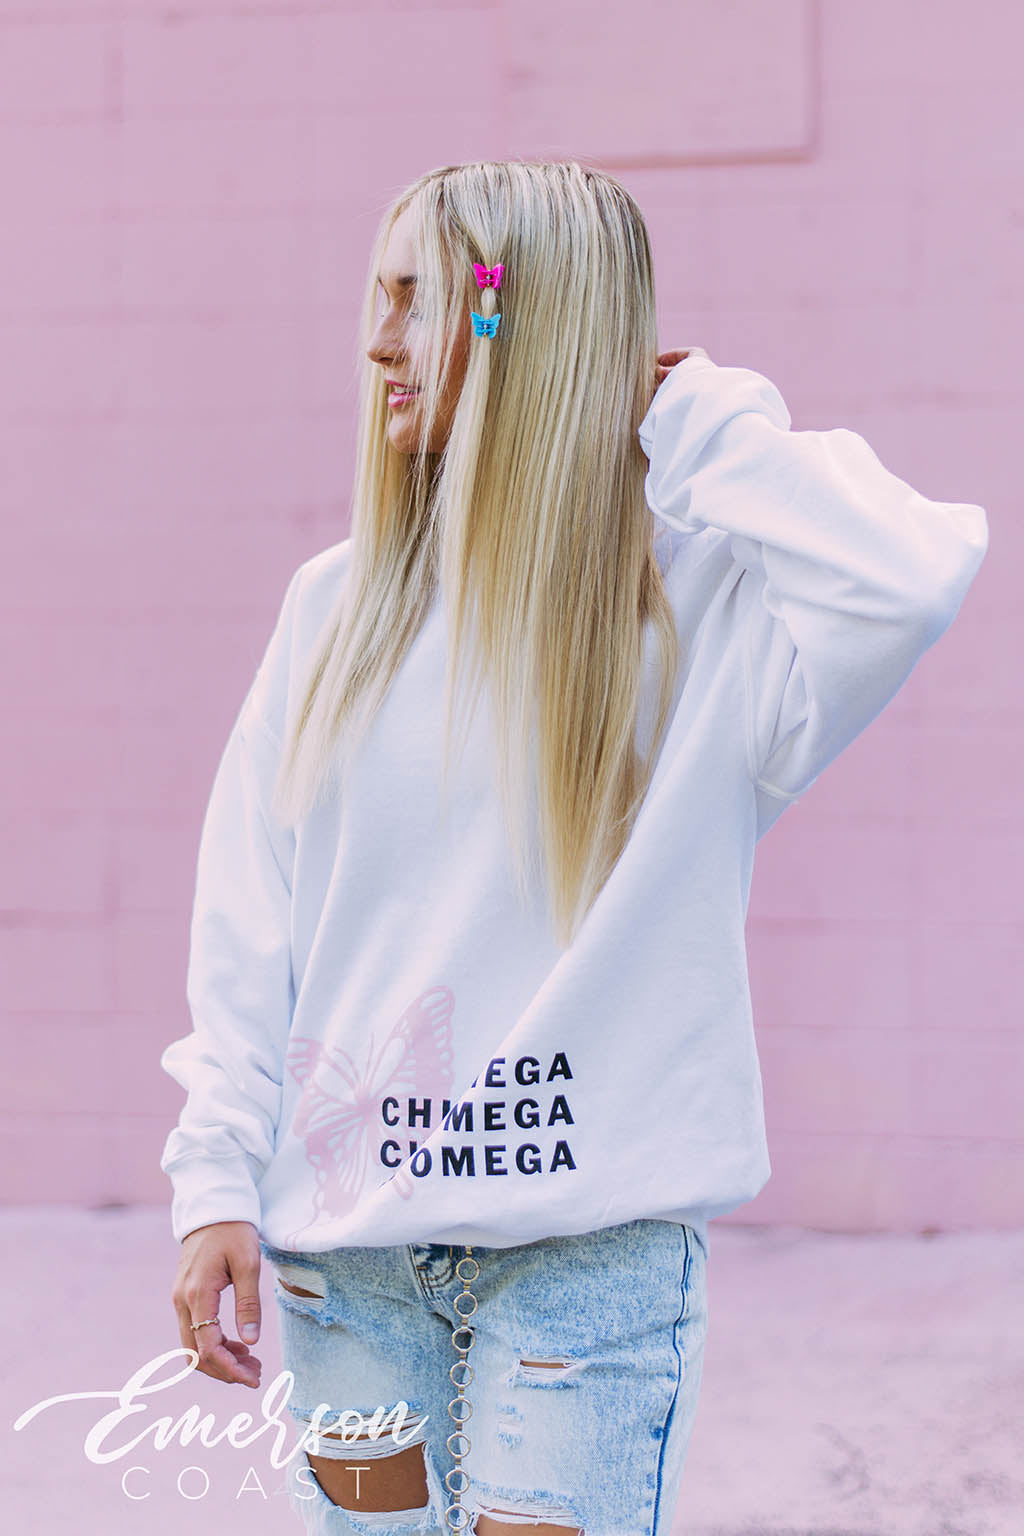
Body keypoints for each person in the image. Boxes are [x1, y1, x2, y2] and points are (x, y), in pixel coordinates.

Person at [159, 159, 989, 1536]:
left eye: (421, 300)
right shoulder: (333, 611)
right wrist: (211, 1183)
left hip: (587, 1272)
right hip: (345, 1274)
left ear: (517, 322)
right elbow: (249, 924)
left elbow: (909, 572)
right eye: (379, 298)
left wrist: (693, 413)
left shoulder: (703, 615)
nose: (378, 343)